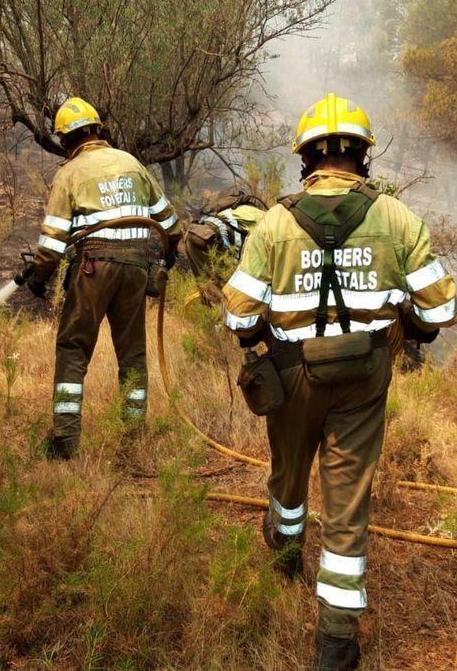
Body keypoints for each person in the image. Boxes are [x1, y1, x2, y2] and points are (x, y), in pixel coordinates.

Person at [221, 93, 457, 669]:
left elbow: (238, 316)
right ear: (363, 158)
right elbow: (439, 314)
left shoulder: (276, 222)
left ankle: (284, 552)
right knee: (348, 501)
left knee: (289, 471)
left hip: (291, 370)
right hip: (364, 376)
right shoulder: (398, 218)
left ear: (306, 159)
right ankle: (334, 643)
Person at [15, 97, 179, 460]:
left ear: (65, 140)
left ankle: (66, 441)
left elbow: (53, 241)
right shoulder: (132, 164)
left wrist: (39, 278)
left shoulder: (69, 174)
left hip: (93, 267)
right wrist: (164, 262)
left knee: (73, 349)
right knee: (133, 354)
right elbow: (171, 224)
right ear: (97, 130)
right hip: (136, 269)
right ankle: (133, 437)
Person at [180, 189, 268, 281]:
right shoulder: (258, 215)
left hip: (199, 234)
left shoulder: (231, 213)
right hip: (212, 236)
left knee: (210, 283)